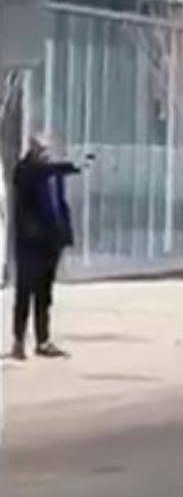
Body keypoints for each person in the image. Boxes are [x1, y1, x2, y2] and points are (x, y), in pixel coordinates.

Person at [10, 135, 80, 360]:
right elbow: (30, 177)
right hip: (30, 245)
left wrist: (63, 235)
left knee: (44, 295)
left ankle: (43, 340)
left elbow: (60, 205)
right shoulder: (26, 173)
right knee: (24, 294)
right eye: (41, 151)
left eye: (48, 151)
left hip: (51, 244)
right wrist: (69, 167)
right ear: (33, 151)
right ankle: (19, 341)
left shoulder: (52, 175)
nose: (46, 155)